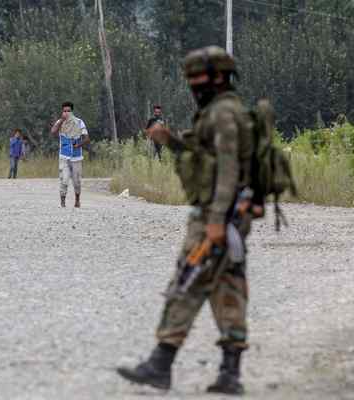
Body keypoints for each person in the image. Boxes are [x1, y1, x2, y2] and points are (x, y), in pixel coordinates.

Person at [117, 46, 254, 395]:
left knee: (187, 283)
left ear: (219, 77)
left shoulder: (223, 113)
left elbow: (229, 169)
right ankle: (230, 373)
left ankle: (160, 364)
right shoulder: (218, 110)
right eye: (190, 78)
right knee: (228, 289)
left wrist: (216, 219)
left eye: (200, 77)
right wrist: (171, 141)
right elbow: (202, 155)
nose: (194, 84)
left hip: (216, 213)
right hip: (227, 215)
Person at [50, 101, 90, 208]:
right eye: (64, 111)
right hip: (64, 156)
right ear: (62, 111)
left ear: (72, 111)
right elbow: (53, 132)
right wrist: (61, 120)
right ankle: (62, 201)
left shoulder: (79, 122)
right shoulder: (60, 122)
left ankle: (77, 200)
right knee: (64, 179)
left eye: (68, 111)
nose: (66, 113)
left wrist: (78, 145)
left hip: (76, 157)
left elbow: (86, 138)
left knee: (77, 181)